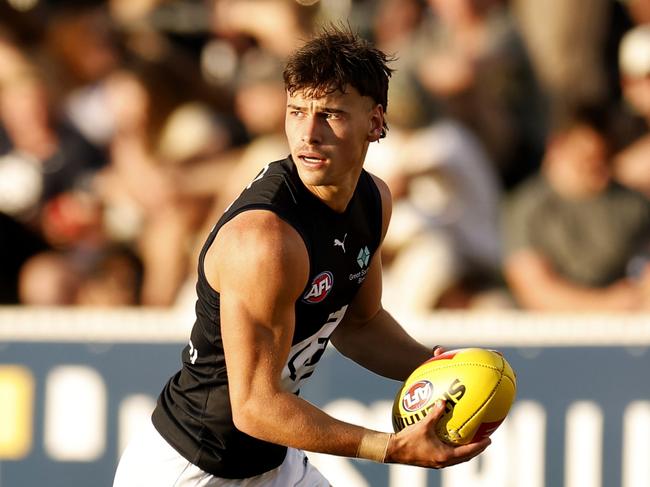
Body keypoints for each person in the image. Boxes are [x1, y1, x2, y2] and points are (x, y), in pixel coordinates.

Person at [113, 25, 490, 487]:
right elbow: (253, 407)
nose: (308, 134)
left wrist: (445, 372)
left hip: (271, 462)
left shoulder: (374, 200)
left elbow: (359, 323)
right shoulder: (265, 239)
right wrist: (387, 447)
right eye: (297, 111)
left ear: (375, 122)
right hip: (192, 470)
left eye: (329, 114)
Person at [502, 105, 650, 311]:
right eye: (586, 159)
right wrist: (608, 305)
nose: (597, 171)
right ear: (557, 147)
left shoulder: (633, 204)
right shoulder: (526, 208)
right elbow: (534, 289)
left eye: (603, 159)